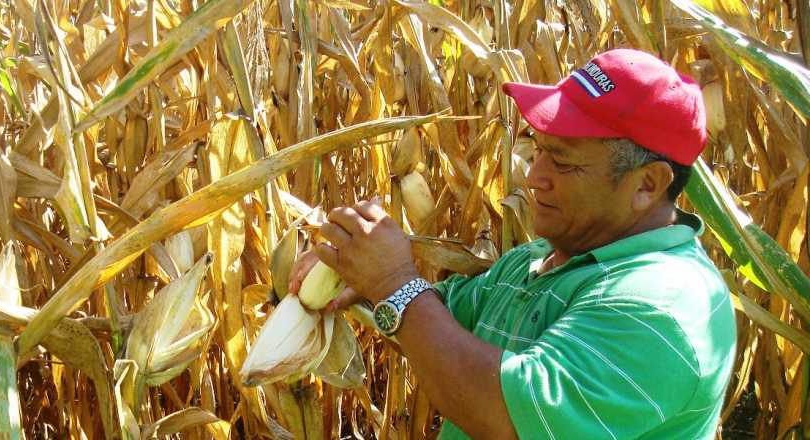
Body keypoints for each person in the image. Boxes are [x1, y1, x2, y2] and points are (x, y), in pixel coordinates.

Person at [288, 48, 737, 439]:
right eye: (537, 148)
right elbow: (440, 323)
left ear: (648, 184)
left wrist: (393, 284)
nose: (534, 175)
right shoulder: (538, 260)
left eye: (561, 161)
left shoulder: (664, 307)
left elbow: (509, 417)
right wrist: (357, 276)